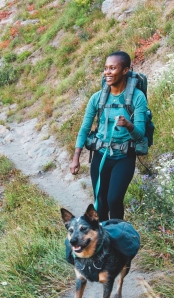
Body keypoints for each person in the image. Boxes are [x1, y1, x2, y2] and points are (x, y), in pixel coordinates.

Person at [69, 51, 148, 221]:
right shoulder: (97, 98)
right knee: (101, 202)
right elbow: (84, 129)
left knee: (114, 200)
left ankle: (118, 235)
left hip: (124, 157)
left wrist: (128, 125)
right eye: (105, 68)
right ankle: (104, 240)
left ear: (125, 70)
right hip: (101, 155)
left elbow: (140, 134)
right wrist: (76, 157)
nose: (107, 72)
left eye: (113, 68)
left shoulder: (138, 98)